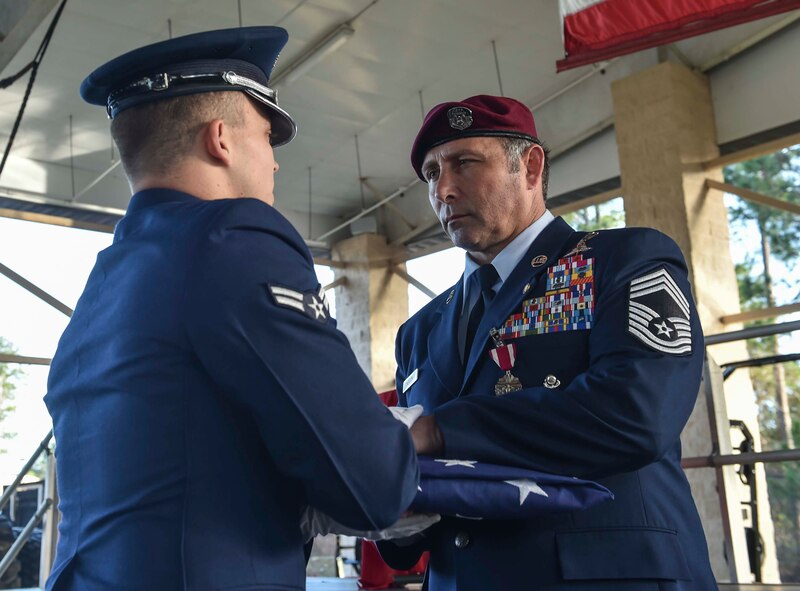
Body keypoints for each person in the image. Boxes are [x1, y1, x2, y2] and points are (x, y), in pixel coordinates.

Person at [44, 26, 419, 591]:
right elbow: (372, 486)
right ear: (220, 139)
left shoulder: (105, 281)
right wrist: (413, 436)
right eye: (266, 137)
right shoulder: (234, 238)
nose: (274, 164)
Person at [377, 95, 718, 590]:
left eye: (465, 163)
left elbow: (638, 413)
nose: (443, 190)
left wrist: (438, 430)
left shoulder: (622, 261)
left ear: (531, 167)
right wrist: (391, 511)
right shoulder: (420, 330)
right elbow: (415, 491)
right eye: (431, 173)